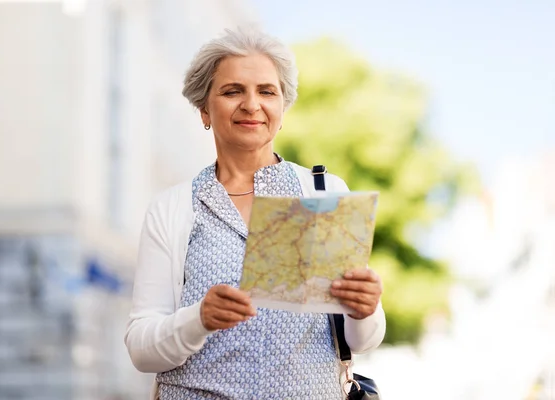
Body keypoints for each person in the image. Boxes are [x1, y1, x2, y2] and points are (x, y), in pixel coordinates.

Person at [125, 27, 385, 400]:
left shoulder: (323, 193)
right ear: (204, 110)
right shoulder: (173, 208)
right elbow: (140, 348)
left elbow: (361, 341)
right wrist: (197, 319)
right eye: (233, 91)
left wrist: (366, 309)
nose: (251, 104)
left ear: (282, 108)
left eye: (266, 92)